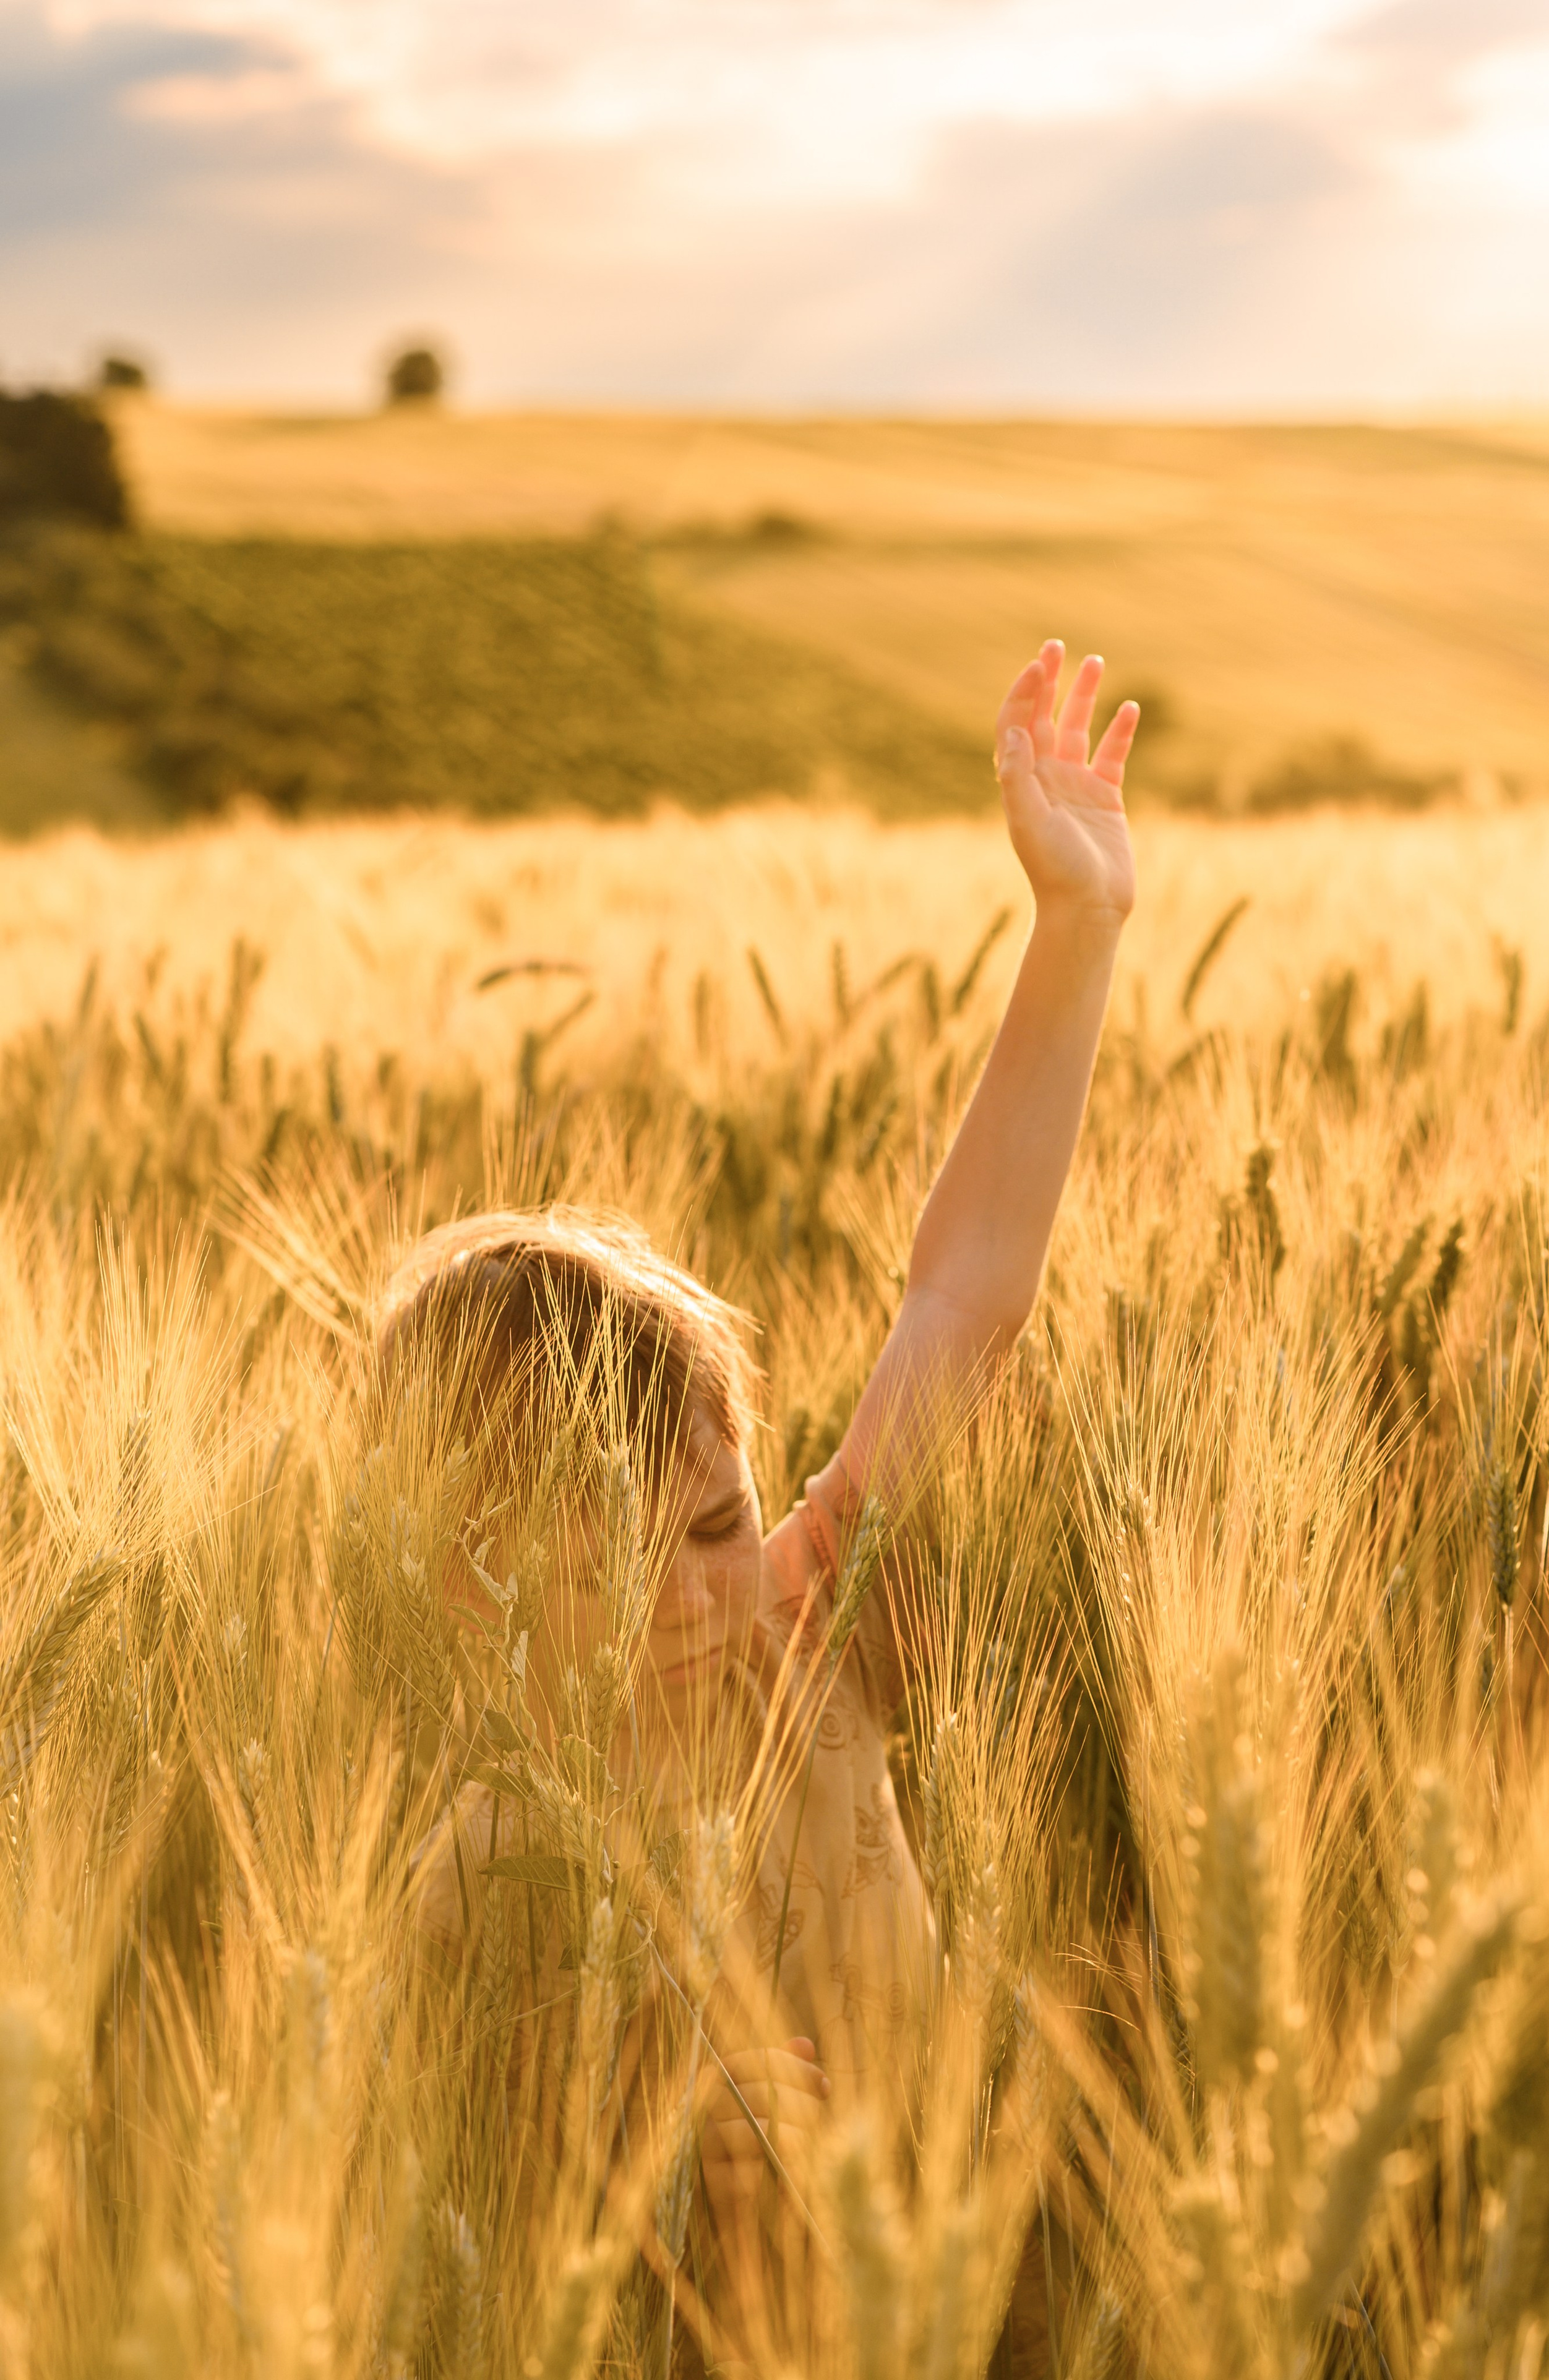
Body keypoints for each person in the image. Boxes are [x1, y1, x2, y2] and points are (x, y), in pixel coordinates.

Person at [389, 640, 1137, 2288]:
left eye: (715, 1522)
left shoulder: (815, 1641)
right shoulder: (478, 1872)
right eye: (594, 1548)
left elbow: (963, 1297)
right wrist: (652, 2154)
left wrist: (1076, 926)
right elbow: (463, 2244)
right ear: (460, 1570)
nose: (685, 1595)